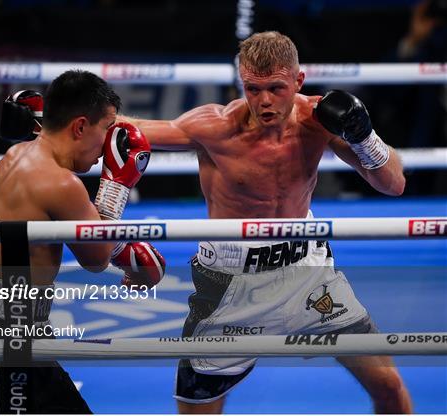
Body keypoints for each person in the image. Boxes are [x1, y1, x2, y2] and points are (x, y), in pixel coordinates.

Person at [120, 31, 411, 413]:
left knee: (388, 385)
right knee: (197, 407)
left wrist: (364, 136)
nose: (264, 101)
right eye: (253, 89)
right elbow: (126, 128)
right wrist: (48, 120)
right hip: (231, 284)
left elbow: (393, 184)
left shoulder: (319, 121)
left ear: (298, 82)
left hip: (309, 272)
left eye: (275, 87)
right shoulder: (215, 127)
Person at [0, 70, 165, 413]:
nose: (106, 148)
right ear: (80, 127)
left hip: (14, 327)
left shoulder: (15, 156)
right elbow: (96, 258)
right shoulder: (60, 184)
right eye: (105, 131)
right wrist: (117, 184)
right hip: (2, 334)